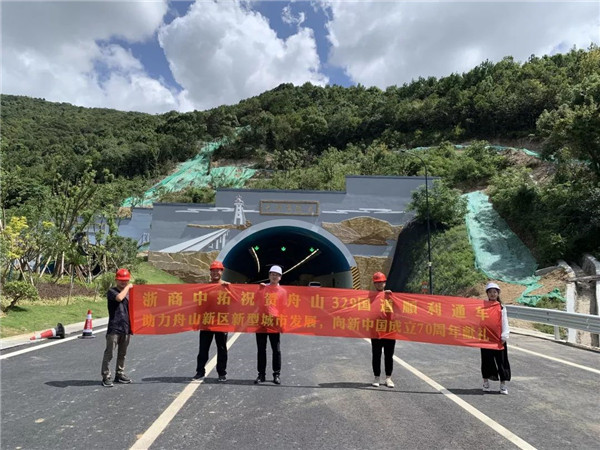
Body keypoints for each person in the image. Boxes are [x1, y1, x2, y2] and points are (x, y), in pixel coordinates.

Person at [193, 260, 230, 382]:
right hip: (207, 322)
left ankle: (222, 373)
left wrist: (229, 290)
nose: (215, 273)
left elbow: (235, 302)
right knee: (203, 348)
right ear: (210, 273)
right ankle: (200, 371)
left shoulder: (227, 286)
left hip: (221, 322)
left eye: (217, 270)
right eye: (213, 270)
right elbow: (199, 304)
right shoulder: (205, 287)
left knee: (222, 349)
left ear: (221, 272)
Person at [101, 268, 134, 387]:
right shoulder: (112, 291)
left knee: (122, 353)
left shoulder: (131, 294)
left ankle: (120, 374)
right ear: (116, 280)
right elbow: (119, 298)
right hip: (114, 328)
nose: (123, 282)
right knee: (109, 353)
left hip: (126, 327)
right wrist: (128, 287)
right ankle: (106, 376)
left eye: (125, 280)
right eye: (121, 280)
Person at [254, 265, 285, 385]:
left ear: (280, 277)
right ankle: (261, 374)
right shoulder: (263, 288)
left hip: (275, 323)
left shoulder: (282, 292)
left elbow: (284, 308)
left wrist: (282, 323)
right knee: (261, 349)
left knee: (276, 349)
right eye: (272, 274)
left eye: (277, 274)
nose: (274, 276)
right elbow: (255, 301)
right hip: (261, 321)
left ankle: (276, 374)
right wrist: (259, 291)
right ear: (269, 275)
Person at [481, 282, 511, 394]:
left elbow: (505, 322)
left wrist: (504, 336)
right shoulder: (482, 307)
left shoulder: (501, 307)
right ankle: (485, 383)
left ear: (498, 293)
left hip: (499, 339)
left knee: (502, 362)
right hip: (486, 339)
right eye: (490, 292)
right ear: (487, 294)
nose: (493, 294)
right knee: (486, 361)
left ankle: (503, 385)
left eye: (495, 292)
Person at [370, 272, 396, 388]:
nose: (380, 284)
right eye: (377, 282)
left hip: (390, 330)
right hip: (376, 330)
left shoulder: (391, 295)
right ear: (374, 284)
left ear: (385, 283)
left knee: (388, 355)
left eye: (382, 282)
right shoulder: (370, 296)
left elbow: (399, 309)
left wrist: (391, 296)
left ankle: (388, 378)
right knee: (376, 354)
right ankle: (376, 377)